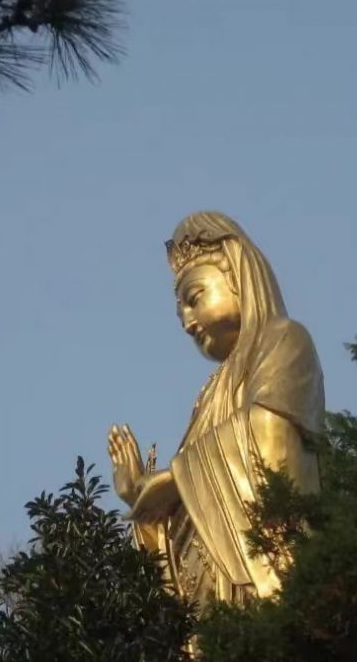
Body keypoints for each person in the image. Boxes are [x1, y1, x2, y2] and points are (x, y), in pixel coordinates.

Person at [108, 212, 324, 607]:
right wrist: (141, 498)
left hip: (262, 570)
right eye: (180, 314)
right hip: (210, 598)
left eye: (194, 300)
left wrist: (175, 479)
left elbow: (268, 434)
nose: (187, 323)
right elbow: (194, 510)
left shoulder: (284, 340)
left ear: (238, 279)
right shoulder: (208, 396)